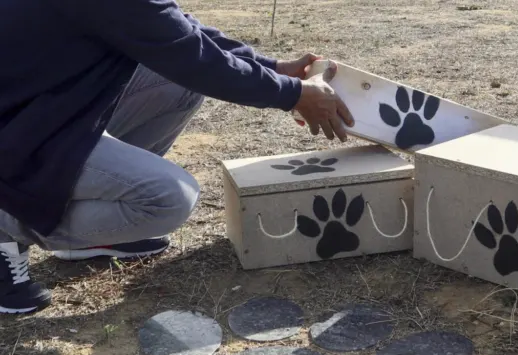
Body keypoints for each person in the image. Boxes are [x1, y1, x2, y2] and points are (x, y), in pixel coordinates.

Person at [0, 0, 354, 314]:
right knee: (168, 199)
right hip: (19, 128)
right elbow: (190, 55)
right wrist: (292, 94)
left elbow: (177, 30)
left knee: (176, 82)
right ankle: (9, 222)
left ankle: (96, 233)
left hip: (46, 107)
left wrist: (271, 67)